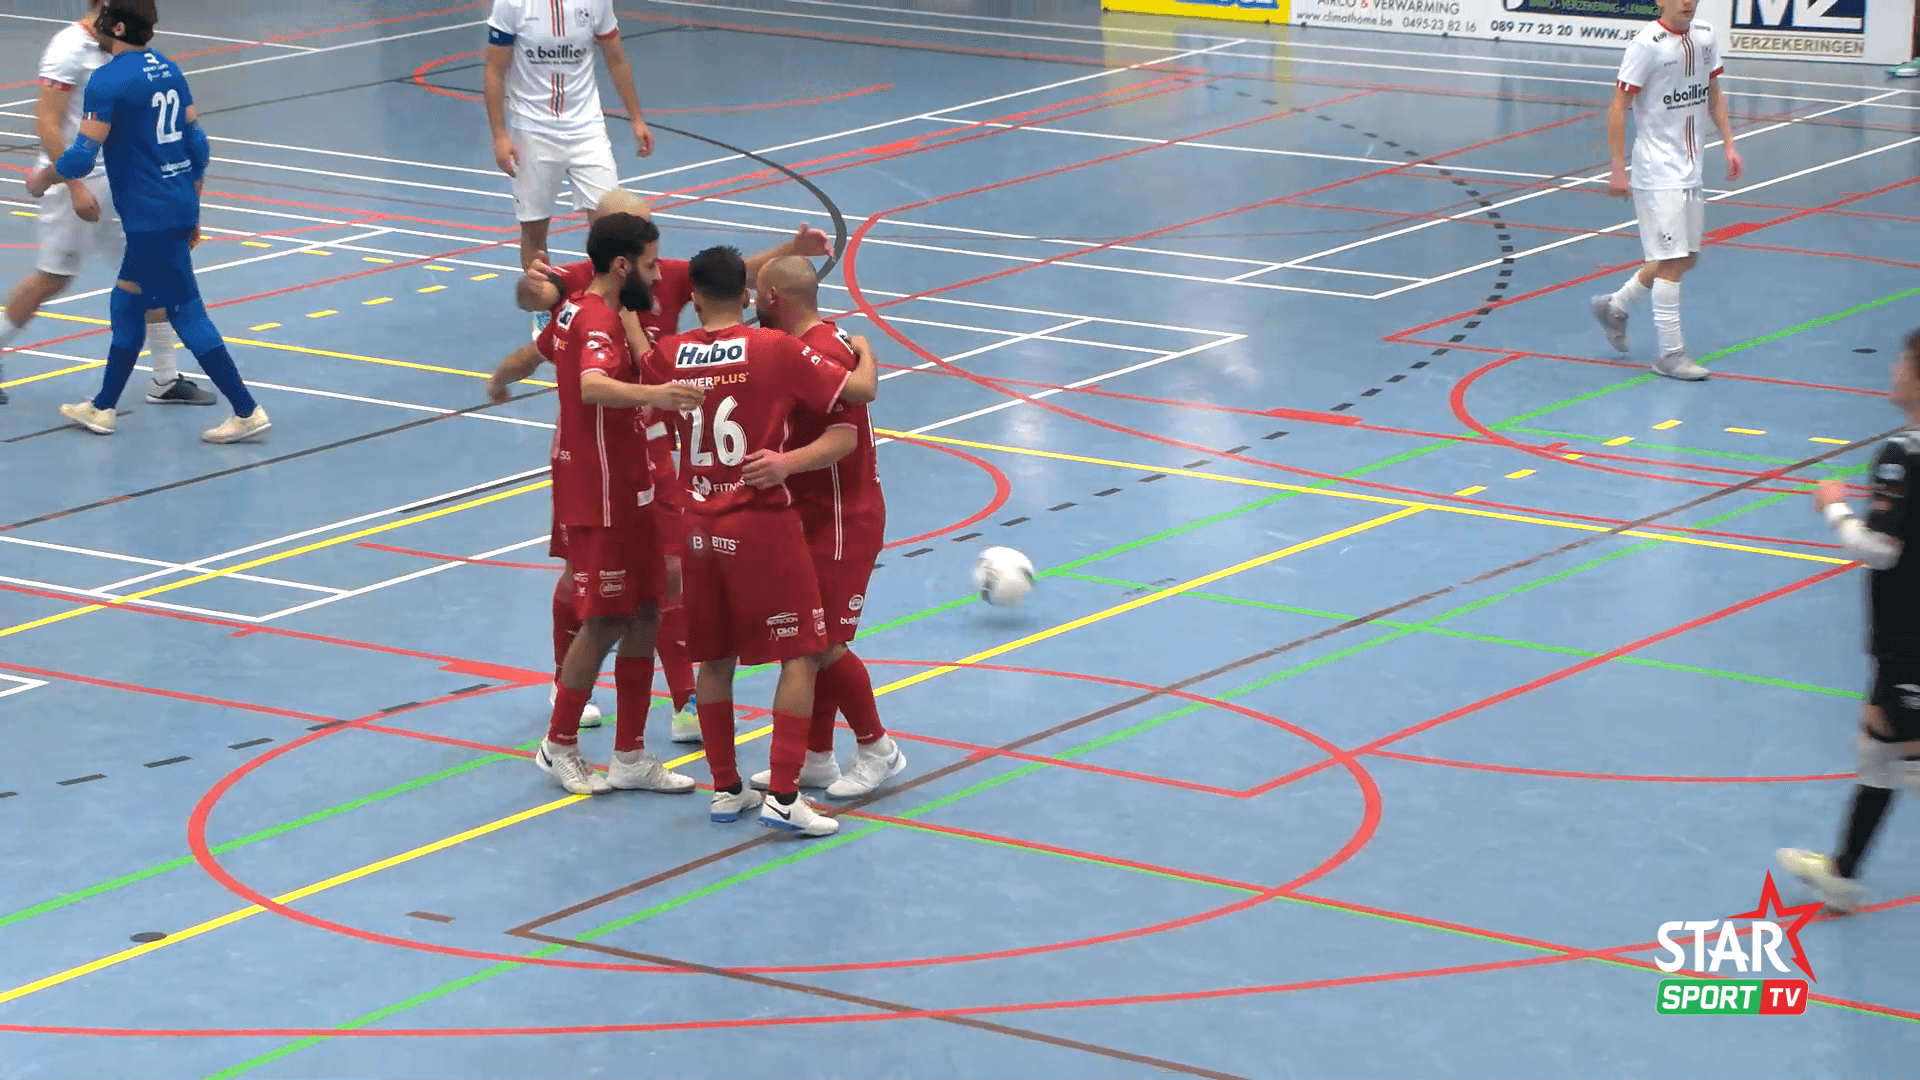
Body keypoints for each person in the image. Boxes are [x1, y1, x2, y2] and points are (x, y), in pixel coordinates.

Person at [641, 245, 877, 837]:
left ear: (694, 297)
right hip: (758, 523)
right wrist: (867, 354)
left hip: (697, 527)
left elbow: (646, 385)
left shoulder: (668, 354)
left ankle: (725, 789)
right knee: (800, 651)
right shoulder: (774, 348)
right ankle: (785, 794)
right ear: (746, 294)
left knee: (713, 660)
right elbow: (856, 396)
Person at [23, 0, 265, 442]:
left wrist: (43, 179)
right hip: (174, 207)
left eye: (100, 20)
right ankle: (102, 408)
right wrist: (194, 207)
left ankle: (247, 411)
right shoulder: (169, 68)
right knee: (126, 302)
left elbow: (80, 156)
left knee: (187, 313)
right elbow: (198, 145)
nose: (93, 26)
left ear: (116, 26)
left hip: (149, 217)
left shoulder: (108, 80)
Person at [533, 210, 704, 796]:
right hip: (600, 492)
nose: (660, 279)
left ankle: (631, 753)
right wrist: (658, 393)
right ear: (623, 264)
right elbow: (591, 385)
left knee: (649, 609)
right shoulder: (598, 315)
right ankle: (558, 744)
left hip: (634, 489)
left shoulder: (587, 308)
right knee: (604, 620)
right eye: (652, 265)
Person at [743, 256, 906, 800]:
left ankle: (878, 747)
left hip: (843, 518)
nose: (751, 303)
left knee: (822, 644)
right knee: (809, 640)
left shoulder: (826, 349)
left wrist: (784, 464)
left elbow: (846, 438)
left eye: (756, 294)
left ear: (772, 296)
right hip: (810, 515)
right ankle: (815, 757)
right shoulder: (811, 346)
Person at [0, 0, 213, 408]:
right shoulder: (67, 47)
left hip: (121, 178)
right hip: (74, 179)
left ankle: (165, 379)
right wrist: (75, 185)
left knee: (149, 270)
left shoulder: (123, 40)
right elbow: (47, 120)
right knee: (53, 276)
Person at [1778, 329, 1920, 913]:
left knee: (1904, 749)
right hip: (1897, 640)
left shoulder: (1901, 458)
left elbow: (1883, 550)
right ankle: (1842, 873)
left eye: (1902, 363)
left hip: (1909, 635)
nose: (1892, 373)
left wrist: (1833, 505)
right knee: (1878, 742)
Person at [1589, 0, 1742, 383]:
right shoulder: (1646, 45)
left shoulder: (1705, 35)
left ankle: (1615, 305)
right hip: (1657, 172)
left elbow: (1713, 91)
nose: (1689, 2)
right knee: (1673, 261)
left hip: (1691, 169)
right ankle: (1670, 355)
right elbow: (1618, 104)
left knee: (1685, 257)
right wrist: (1615, 166)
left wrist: (1729, 142)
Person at [484, 0, 654, 280]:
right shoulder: (512, 3)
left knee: (611, 227)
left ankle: (605, 309)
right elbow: (494, 69)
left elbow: (617, 59)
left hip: (587, 129)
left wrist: (637, 118)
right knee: (534, 231)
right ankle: (542, 313)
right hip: (532, 131)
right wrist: (500, 136)